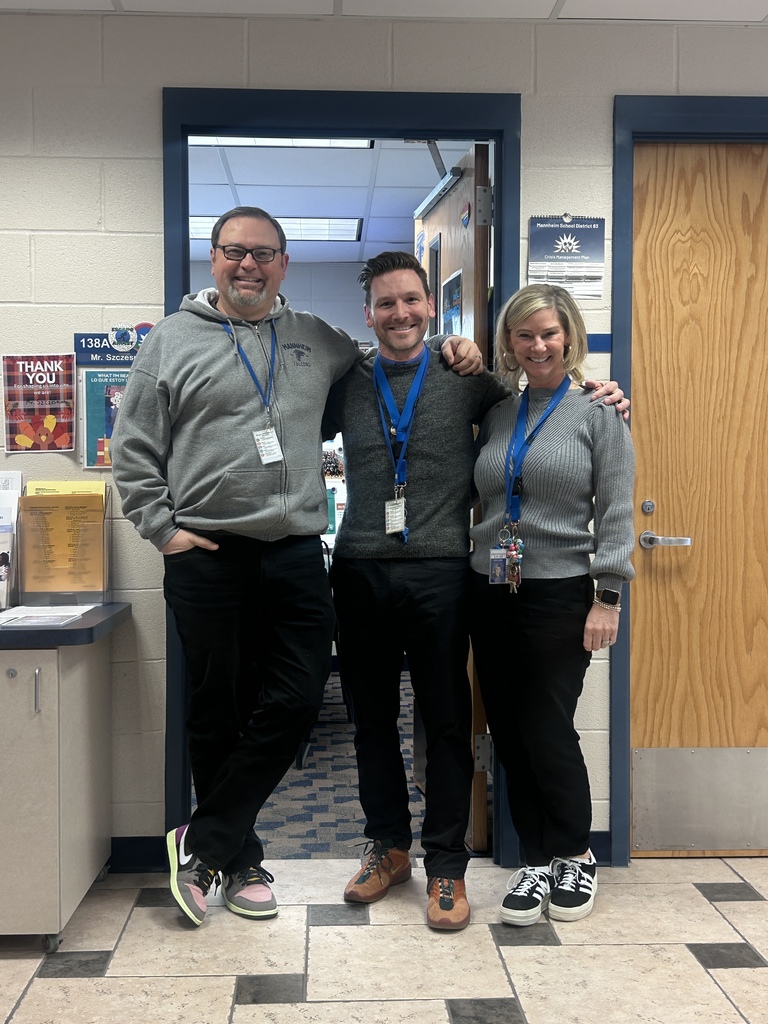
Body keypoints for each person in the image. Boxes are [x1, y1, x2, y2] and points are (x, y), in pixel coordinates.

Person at [110, 209, 478, 928]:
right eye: (234, 251)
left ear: (284, 263)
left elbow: (393, 356)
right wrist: (163, 530)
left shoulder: (318, 339)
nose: (248, 265)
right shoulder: (170, 341)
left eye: (263, 253)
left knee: (301, 698)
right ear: (213, 257)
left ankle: (203, 839)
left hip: (295, 553)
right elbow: (133, 449)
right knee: (218, 707)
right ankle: (237, 859)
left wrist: (454, 347)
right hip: (207, 553)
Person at [324, 255, 628, 931]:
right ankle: (388, 847)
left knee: (452, 722)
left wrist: (606, 395)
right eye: (385, 303)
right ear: (368, 314)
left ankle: (448, 864)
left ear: (430, 305)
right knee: (376, 720)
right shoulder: (346, 382)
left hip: (448, 573)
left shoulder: (470, 382)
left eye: (411, 299)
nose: (400, 313)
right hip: (379, 571)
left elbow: (567, 434)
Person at [467, 284, 635, 927]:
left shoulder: (599, 411)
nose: (538, 346)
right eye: (524, 335)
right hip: (492, 588)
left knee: (548, 727)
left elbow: (616, 510)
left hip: (560, 591)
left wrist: (608, 596)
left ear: (570, 338)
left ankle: (575, 853)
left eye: (549, 334)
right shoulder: (500, 412)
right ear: (509, 343)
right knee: (508, 730)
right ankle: (536, 859)